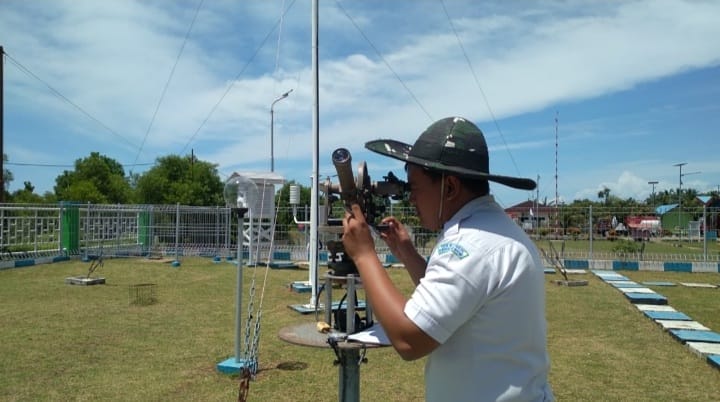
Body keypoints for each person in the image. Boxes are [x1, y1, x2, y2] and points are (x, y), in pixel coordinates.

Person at [341, 116, 554, 402]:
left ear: (450, 188)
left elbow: (408, 339)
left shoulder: (470, 244)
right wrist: (407, 252)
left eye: (415, 189)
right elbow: (459, 297)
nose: (411, 199)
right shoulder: (491, 228)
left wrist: (364, 254)